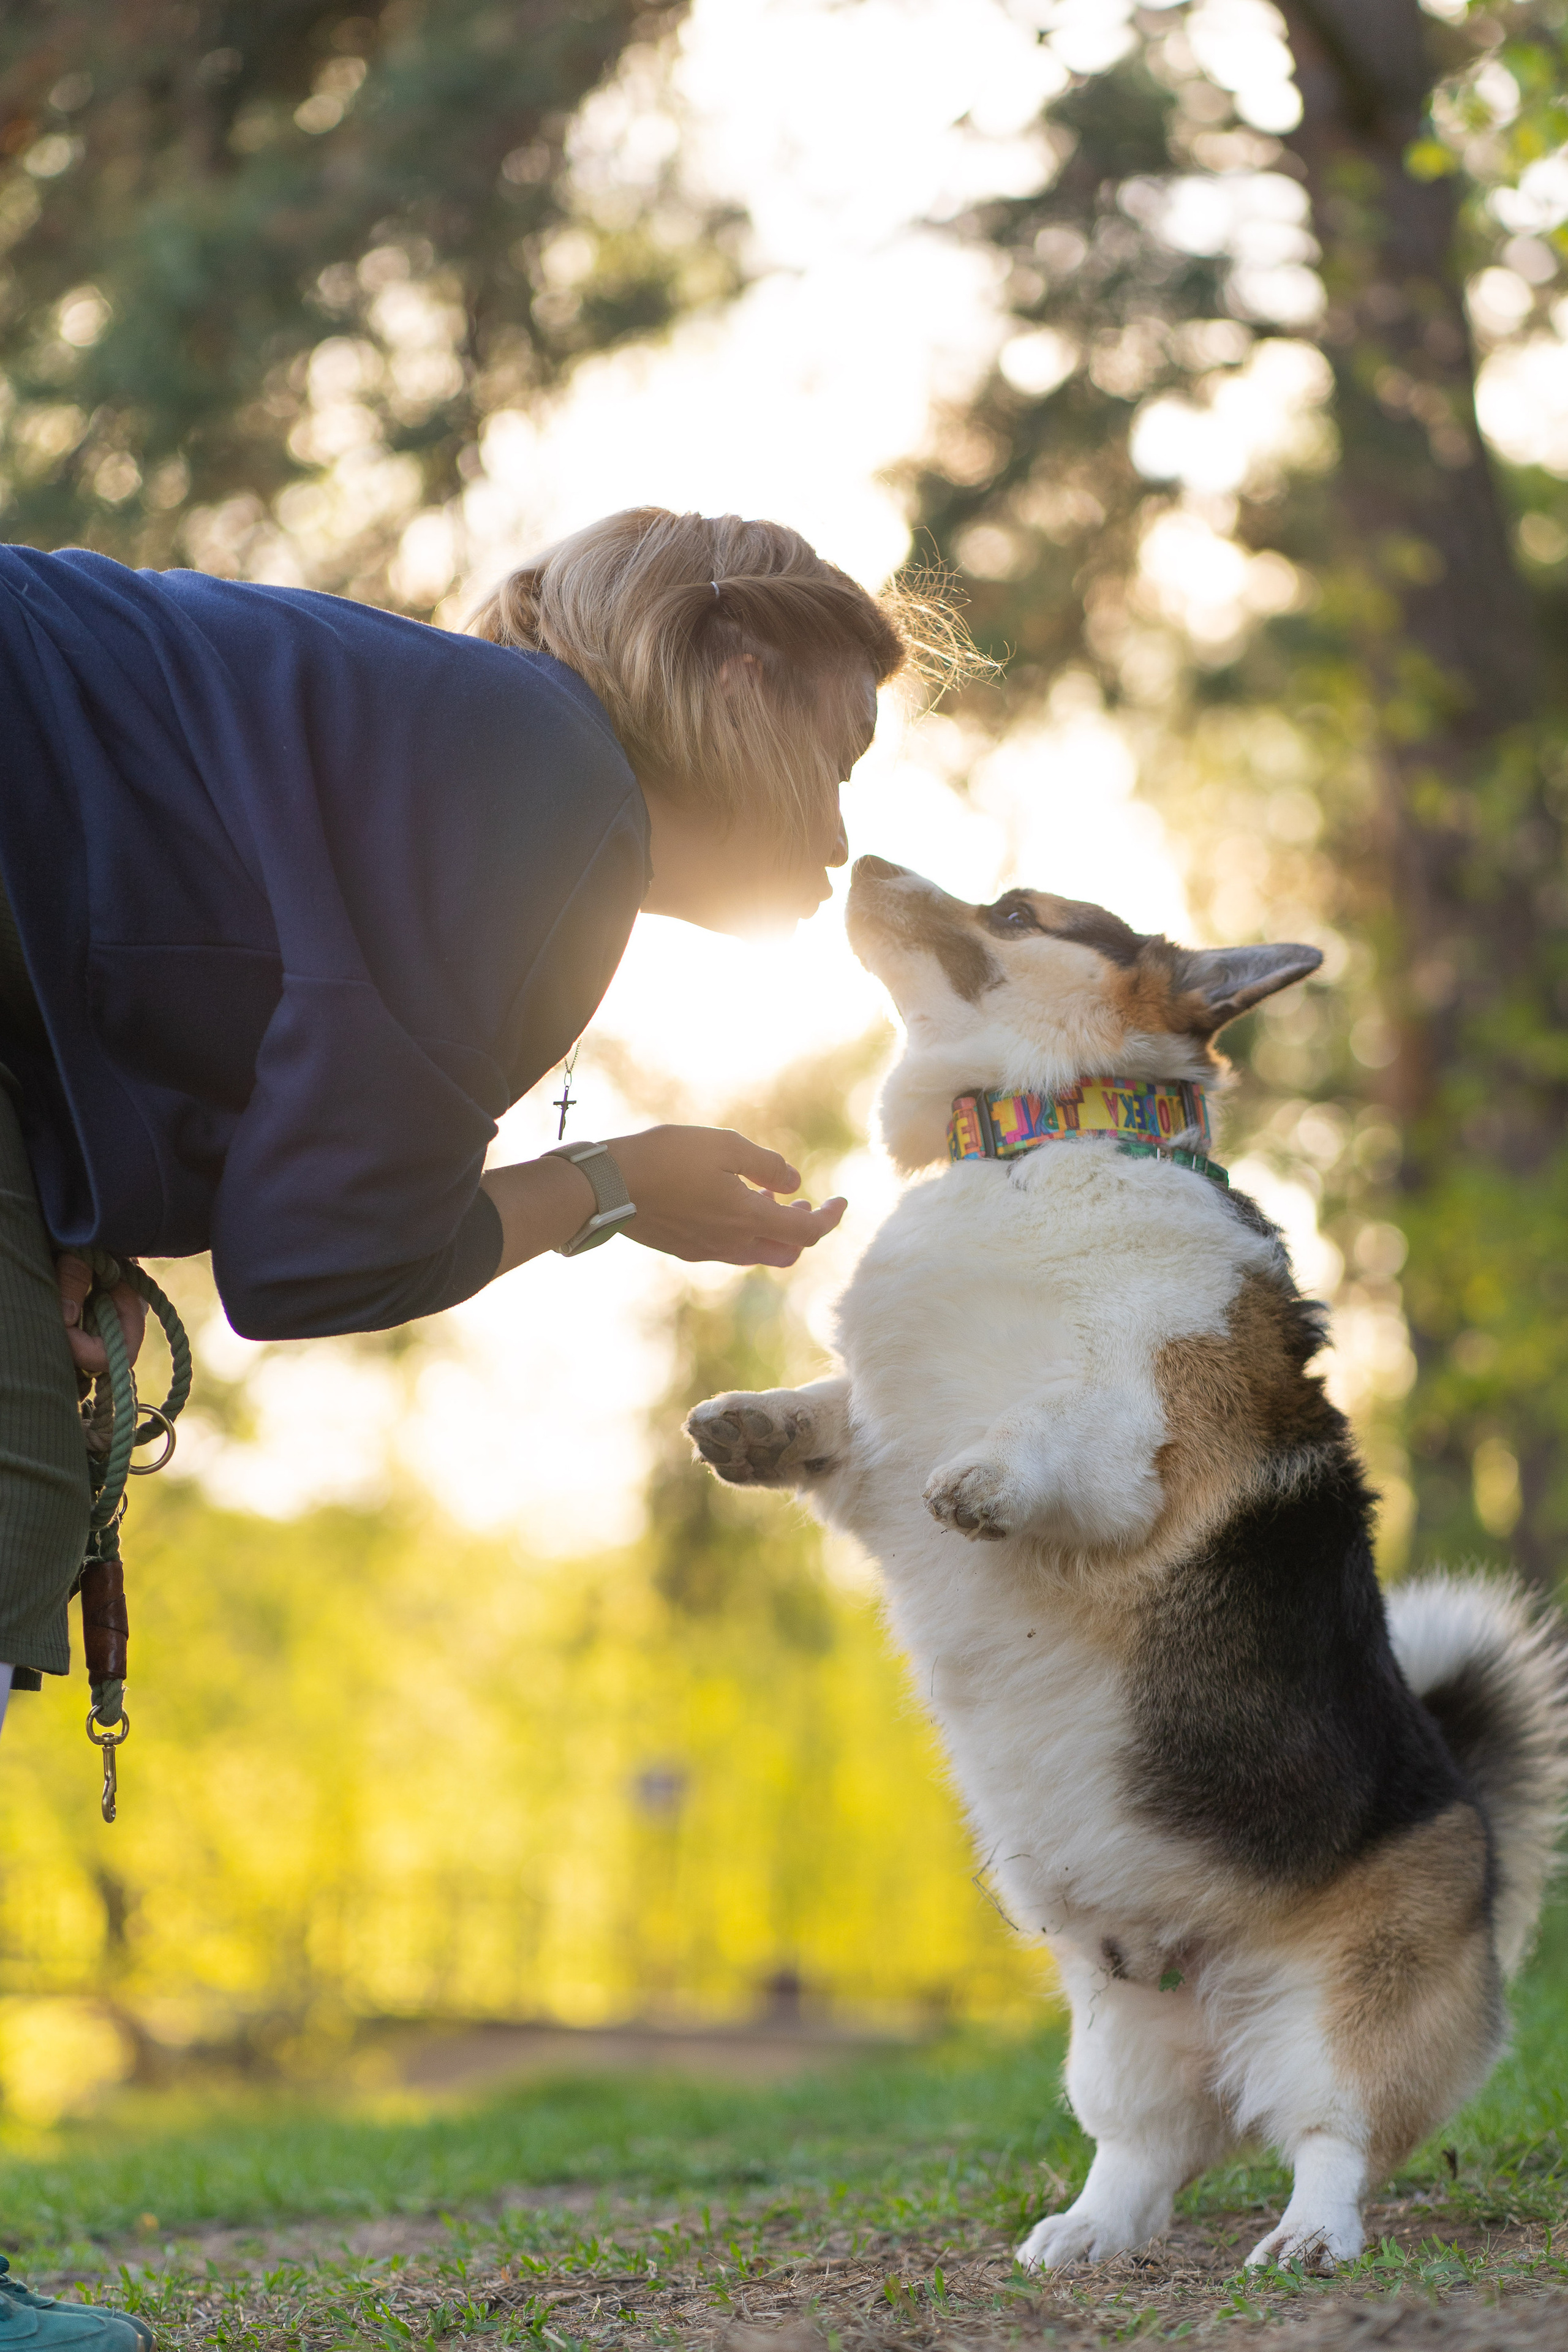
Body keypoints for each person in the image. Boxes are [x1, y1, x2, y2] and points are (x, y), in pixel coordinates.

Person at [0, 506, 950, 2345]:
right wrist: (608, 1186)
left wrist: (82, 1229)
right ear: (736, 667)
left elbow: (133, 953)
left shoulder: (441, 746)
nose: (839, 839)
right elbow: (322, 1255)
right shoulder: (547, 784)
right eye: (837, 756)